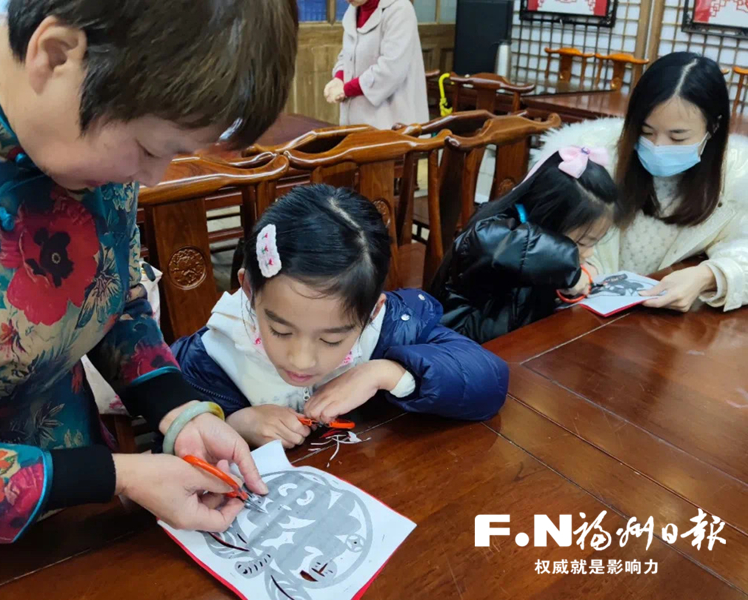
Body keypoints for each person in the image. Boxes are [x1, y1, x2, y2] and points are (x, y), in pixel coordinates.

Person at [0, 0, 297, 558]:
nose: (152, 177)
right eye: (150, 149)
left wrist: (177, 410)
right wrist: (115, 476)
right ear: (56, 55)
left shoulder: (92, 123)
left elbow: (114, 293)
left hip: (82, 509)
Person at [172, 185, 509, 449]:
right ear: (248, 289)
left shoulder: (391, 327)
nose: (301, 360)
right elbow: (169, 441)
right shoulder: (216, 354)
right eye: (280, 331)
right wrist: (233, 423)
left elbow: (489, 382)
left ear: (371, 311)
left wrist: (385, 372)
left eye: (331, 339)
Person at [539, 52, 748, 313]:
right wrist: (576, 265)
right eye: (646, 131)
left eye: (678, 137)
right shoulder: (594, 157)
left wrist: (708, 276)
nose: (657, 146)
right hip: (581, 313)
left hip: (663, 322)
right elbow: (542, 233)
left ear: (713, 127)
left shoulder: (737, 175)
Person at [431, 147, 624, 344]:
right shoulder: (492, 232)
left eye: (593, 243)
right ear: (547, 218)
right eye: (582, 242)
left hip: (519, 346)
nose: (589, 252)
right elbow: (496, 243)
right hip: (459, 346)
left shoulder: (544, 253)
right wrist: (569, 269)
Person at [323, 0, 429, 129]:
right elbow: (347, 55)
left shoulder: (400, 9)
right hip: (357, 121)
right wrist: (339, 78)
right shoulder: (354, 10)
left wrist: (347, 89)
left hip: (392, 122)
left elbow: (390, 69)